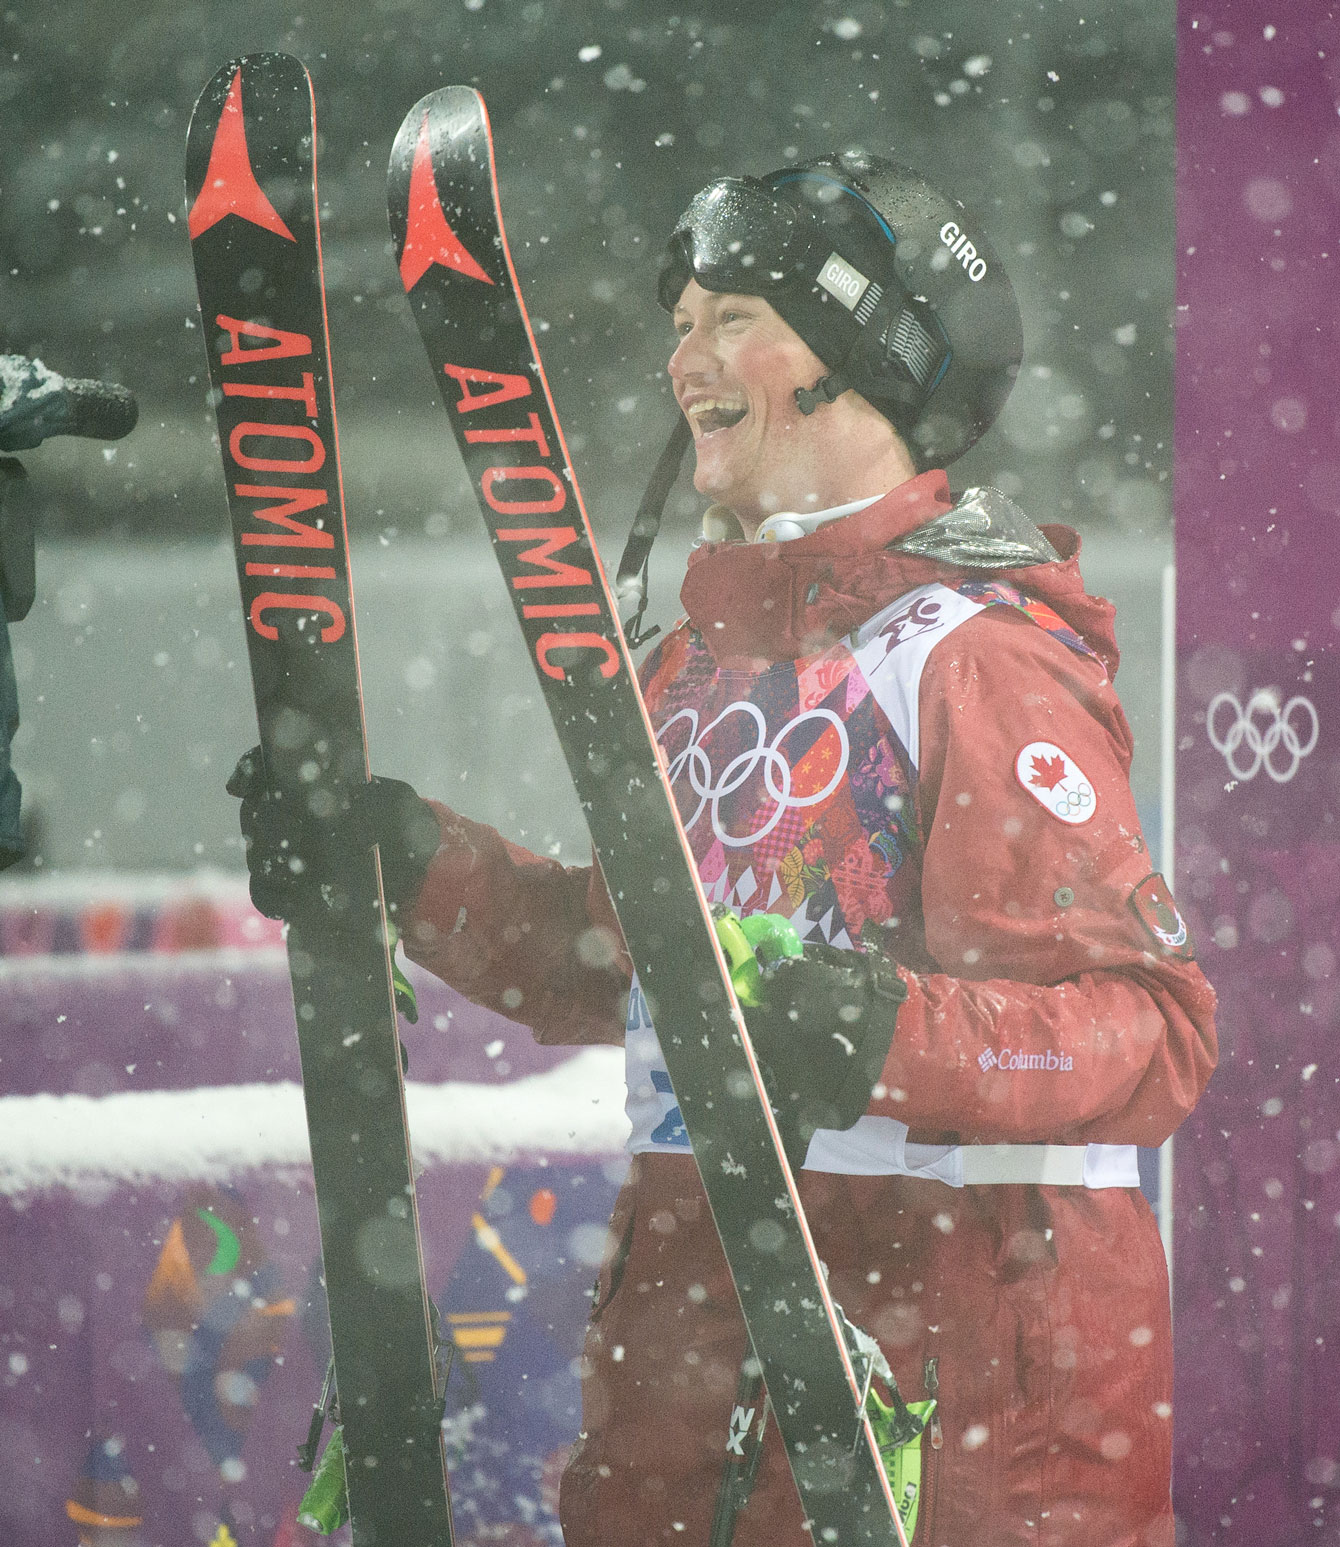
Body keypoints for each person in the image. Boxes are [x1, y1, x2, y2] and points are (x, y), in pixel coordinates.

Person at [235, 152, 1217, 1546]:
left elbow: (1149, 1032)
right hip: (697, 1336)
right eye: (679, 318)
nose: (681, 353)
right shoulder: (699, 659)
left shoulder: (969, 660)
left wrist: (883, 1036)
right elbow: (628, 968)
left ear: (853, 356)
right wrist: (414, 864)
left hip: (951, 1385)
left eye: (730, 316)